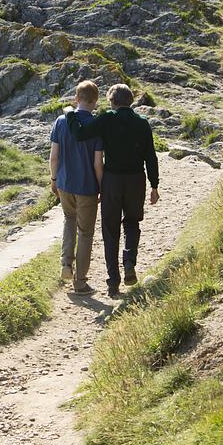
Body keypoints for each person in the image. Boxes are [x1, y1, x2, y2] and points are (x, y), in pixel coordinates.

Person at [66, 83, 159, 298]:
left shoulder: (107, 118)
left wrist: (70, 114)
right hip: (136, 180)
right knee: (132, 223)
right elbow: (151, 158)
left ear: (112, 101)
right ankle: (129, 260)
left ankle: (113, 283)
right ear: (131, 101)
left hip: (112, 182)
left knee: (110, 232)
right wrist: (154, 186)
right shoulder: (142, 123)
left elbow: (80, 134)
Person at [50, 81, 104, 296]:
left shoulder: (61, 121)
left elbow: (54, 156)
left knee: (68, 220)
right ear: (95, 101)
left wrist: (54, 179)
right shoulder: (97, 126)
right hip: (87, 187)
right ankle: (80, 282)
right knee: (86, 233)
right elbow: (97, 163)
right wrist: (101, 187)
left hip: (64, 183)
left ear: (76, 98)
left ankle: (66, 263)